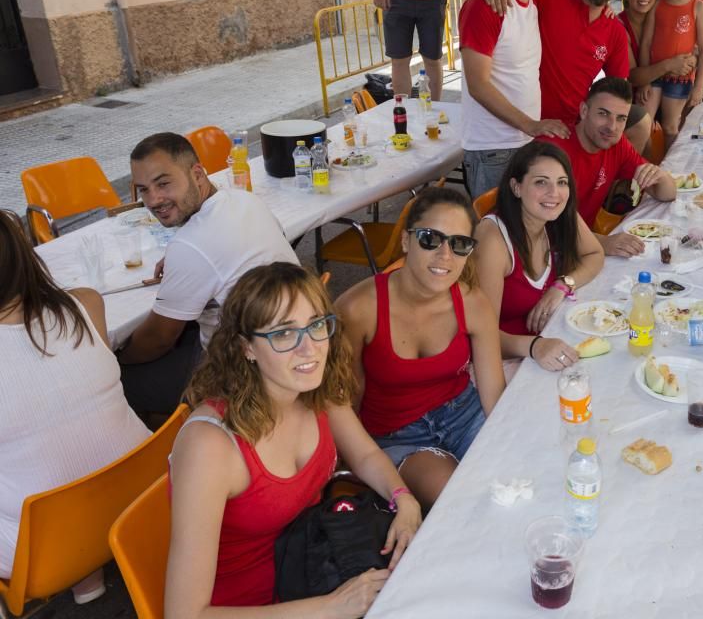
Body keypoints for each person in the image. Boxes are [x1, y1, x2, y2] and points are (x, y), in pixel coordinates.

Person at [166, 262, 423, 613]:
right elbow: (184, 614)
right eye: (284, 334)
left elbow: (364, 455)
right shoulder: (210, 447)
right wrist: (331, 607)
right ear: (247, 348)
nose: (310, 349)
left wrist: (402, 497)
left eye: (316, 325)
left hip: (313, 566)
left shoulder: (313, 389)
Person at [0, 210, 149, 603]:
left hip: (41, 549)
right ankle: (87, 577)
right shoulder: (84, 304)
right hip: (144, 497)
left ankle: (84, 572)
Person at [336, 188, 505, 508]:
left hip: (464, 415)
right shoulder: (359, 308)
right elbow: (346, 400)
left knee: (513, 474)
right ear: (405, 241)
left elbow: (493, 394)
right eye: (430, 238)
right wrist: (358, 465)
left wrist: (505, 441)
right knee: (457, 499)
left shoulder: (472, 303)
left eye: (459, 244)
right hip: (398, 435)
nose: (445, 255)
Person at [118, 133, 298, 414]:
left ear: (198, 174)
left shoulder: (191, 245)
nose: (153, 200)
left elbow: (158, 340)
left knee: (117, 382)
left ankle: (174, 442)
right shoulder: (242, 199)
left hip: (244, 376)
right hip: (293, 344)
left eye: (163, 183)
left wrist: (118, 358)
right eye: (143, 190)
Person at [482, 0, 651, 153]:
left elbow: (619, 91)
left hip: (575, 125)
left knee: (641, 125)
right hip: (527, 121)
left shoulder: (614, 30)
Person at [475, 141, 604, 375]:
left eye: (561, 182)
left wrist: (563, 285)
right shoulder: (493, 240)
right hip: (503, 360)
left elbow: (595, 255)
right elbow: (481, 336)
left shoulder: (556, 211)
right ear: (516, 187)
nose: (554, 193)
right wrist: (535, 347)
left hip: (548, 341)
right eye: (541, 182)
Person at [459, 0, 566, 197]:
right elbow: (478, 85)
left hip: (523, 142)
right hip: (493, 148)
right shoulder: (484, 7)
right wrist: (531, 124)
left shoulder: (531, 5)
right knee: (495, 234)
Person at [544, 77, 676, 257]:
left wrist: (660, 176)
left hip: (583, 244)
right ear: (584, 111)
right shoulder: (551, 154)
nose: (612, 127)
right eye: (603, 114)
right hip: (546, 255)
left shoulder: (616, 144)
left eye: (621, 118)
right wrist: (602, 242)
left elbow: (667, 194)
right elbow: (542, 230)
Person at [639, 0, 703, 145]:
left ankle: (672, 170)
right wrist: (645, 79)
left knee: (671, 126)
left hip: (680, 78)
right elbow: (646, 44)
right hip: (654, 74)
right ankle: (643, 166)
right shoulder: (657, 4)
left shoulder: (698, 7)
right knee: (643, 123)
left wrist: (698, 87)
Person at [620, 0, 697, 102]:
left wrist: (691, 59)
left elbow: (686, 50)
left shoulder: (663, 18)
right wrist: (669, 65)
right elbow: (633, 76)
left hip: (664, 93)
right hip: (629, 101)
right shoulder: (620, 26)